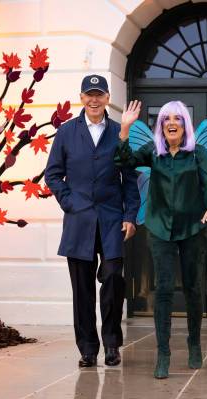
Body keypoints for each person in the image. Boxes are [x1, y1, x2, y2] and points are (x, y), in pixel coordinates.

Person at [114, 100, 207, 379]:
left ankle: (194, 343)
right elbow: (123, 161)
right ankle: (163, 353)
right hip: (160, 228)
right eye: (166, 119)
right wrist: (125, 128)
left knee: (193, 288)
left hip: (192, 228)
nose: (171, 123)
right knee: (162, 290)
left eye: (177, 118)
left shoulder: (197, 153)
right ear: (161, 126)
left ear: (185, 124)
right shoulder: (153, 151)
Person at [45, 75, 140, 368]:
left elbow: (130, 179)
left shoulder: (120, 132)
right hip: (79, 222)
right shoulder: (66, 132)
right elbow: (52, 174)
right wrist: (70, 202)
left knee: (112, 278)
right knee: (82, 290)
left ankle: (111, 344)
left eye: (100, 95)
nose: (95, 100)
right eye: (90, 95)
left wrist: (130, 216)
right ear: (82, 98)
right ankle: (87, 349)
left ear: (108, 98)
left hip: (112, 220)